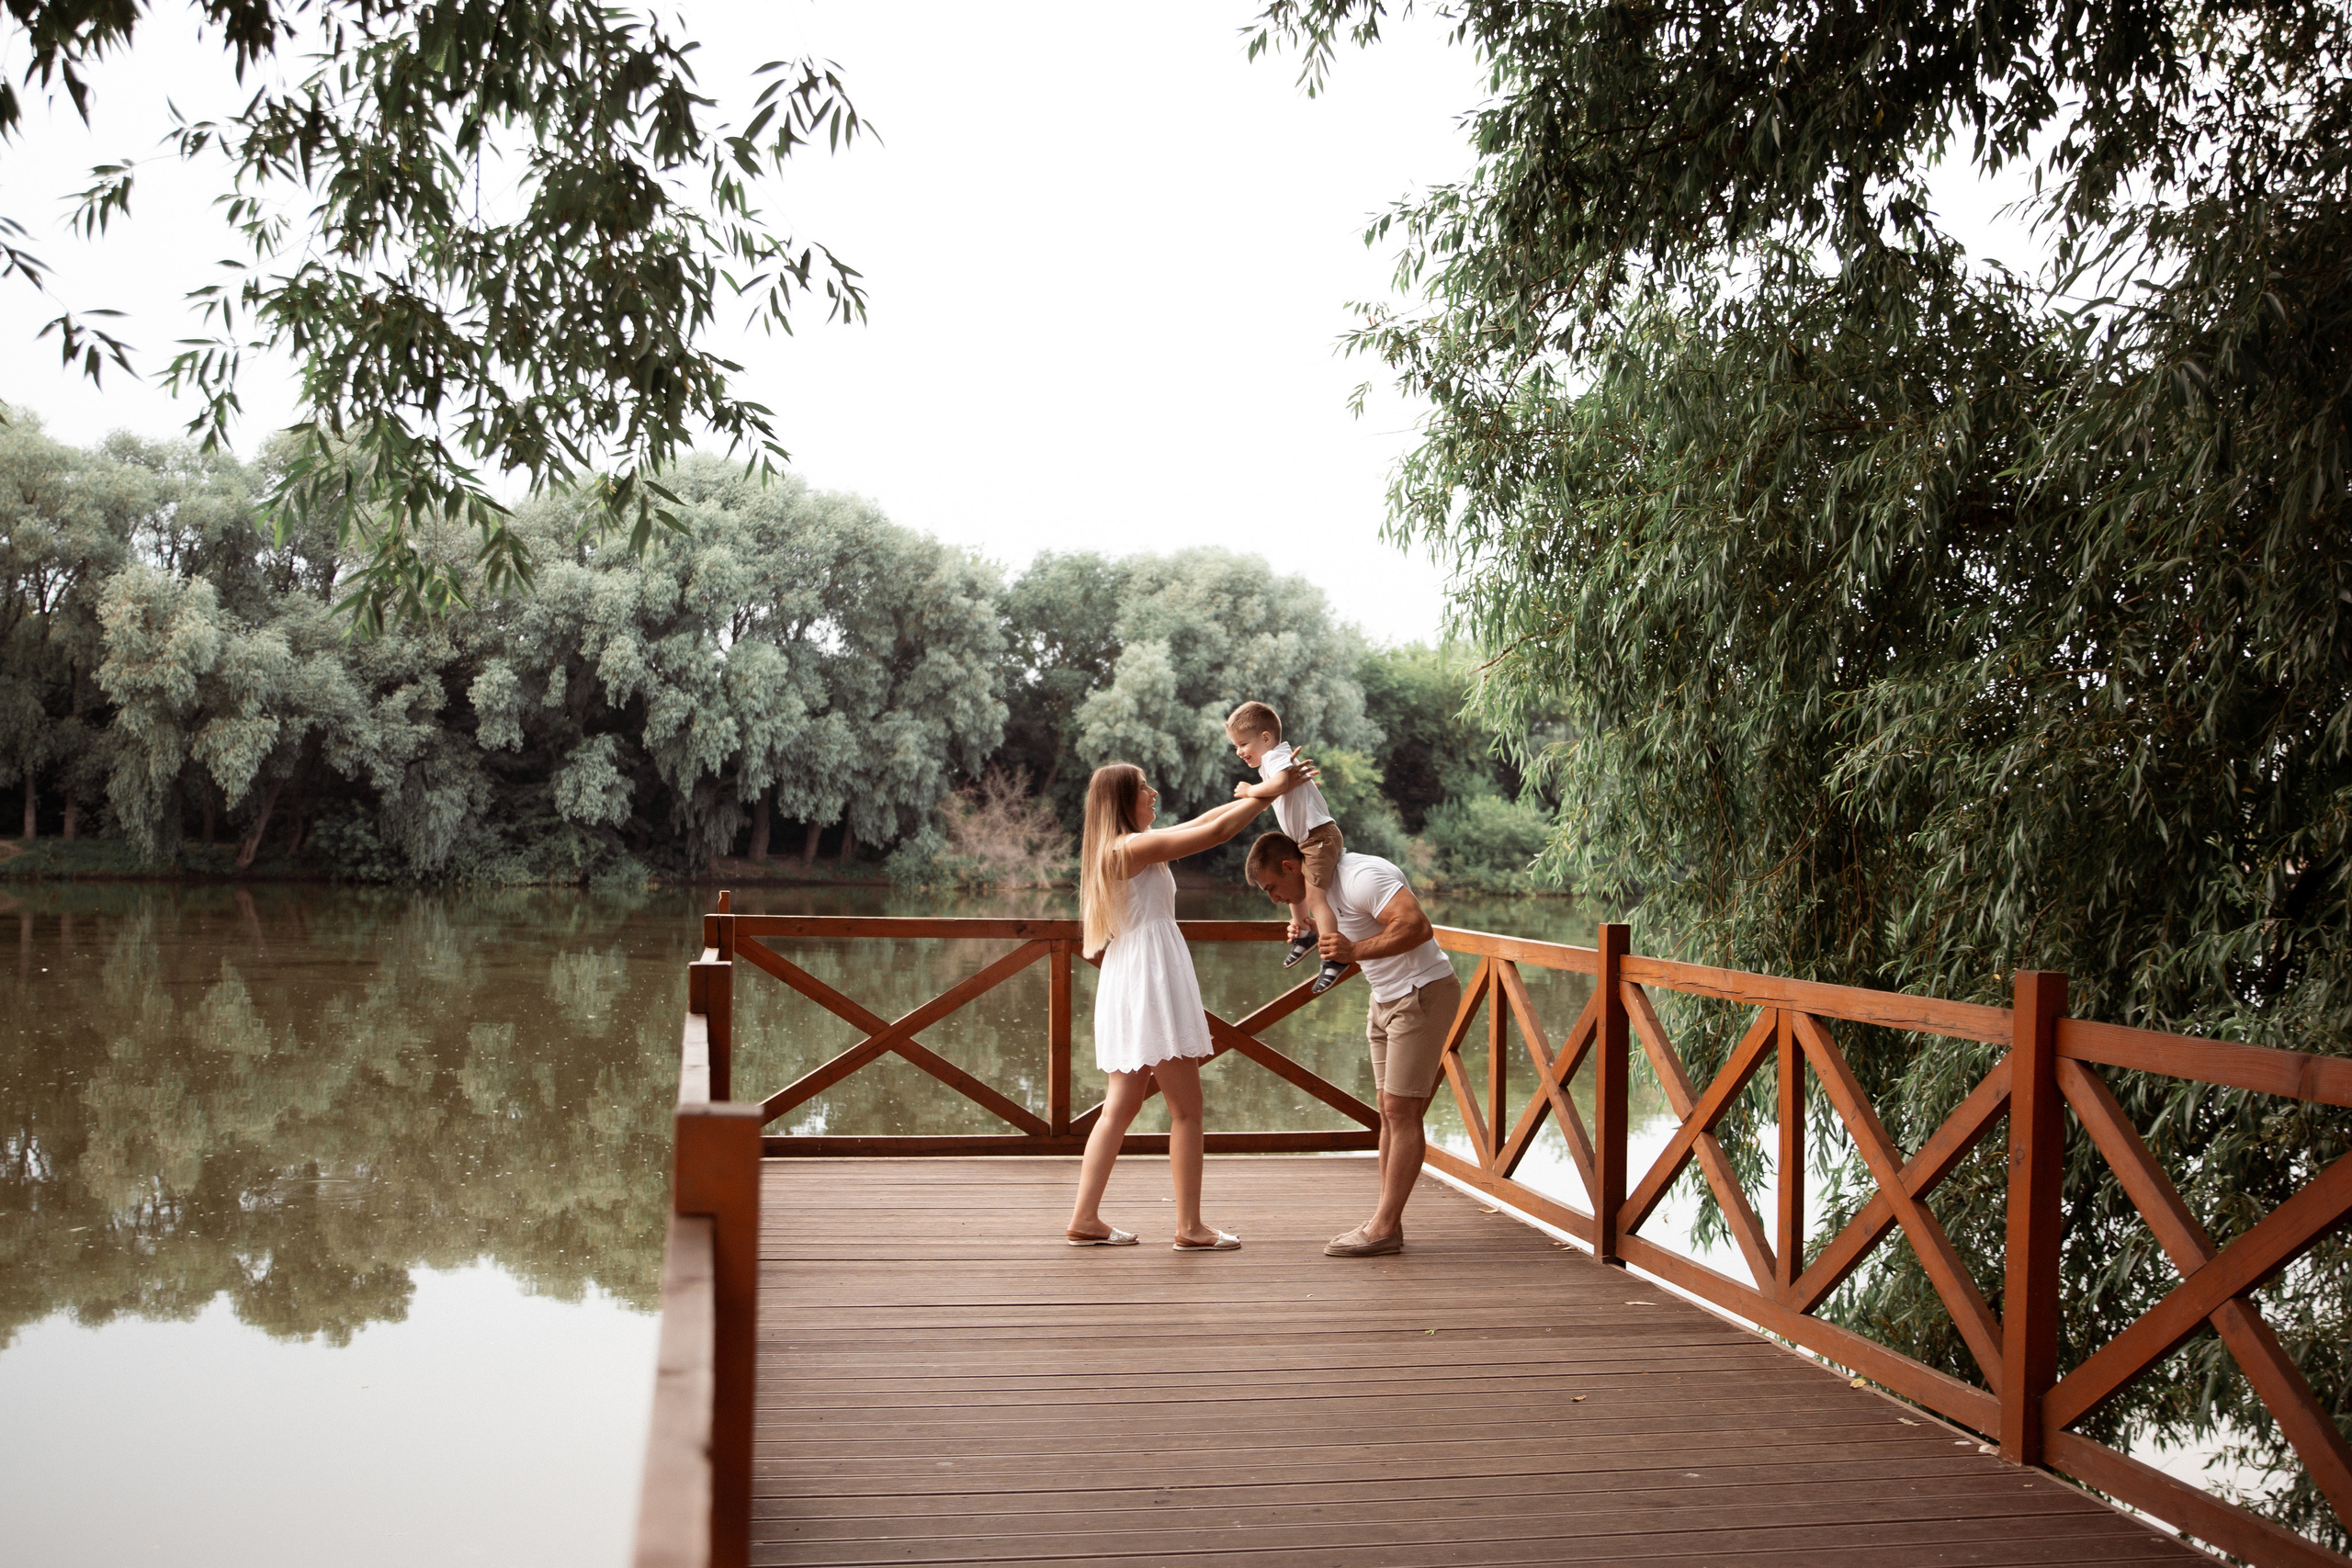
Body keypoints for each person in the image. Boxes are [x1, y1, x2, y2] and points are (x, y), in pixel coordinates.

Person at [1065, 762, 1272, 1251]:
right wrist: (1273, 792)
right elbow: (1217, 833)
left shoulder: (1126, 846)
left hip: (1133, 974)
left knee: (1120, 1107)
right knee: (1187, 1110)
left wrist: (1264, 790)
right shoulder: (1131, 848)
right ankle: (1190, 1228)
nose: (1153, 792)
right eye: (1143, 788)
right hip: (1149, 978)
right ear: (1122, 800)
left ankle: (1085, 1219)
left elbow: (1205, 820)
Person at [1244, 832, 1462, 1258]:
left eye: (1272, 887)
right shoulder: (1320, 892)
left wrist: (1354, 950)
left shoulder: (1363, 875)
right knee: (1387, 1107)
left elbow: (1417, 926)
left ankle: (1384, 1228)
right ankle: (1385, 1221)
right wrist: (1313, 932)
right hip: (1383, 998)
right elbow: (1347, 933)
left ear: (1290, 866)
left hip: (1421, 991)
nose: (1273, 898)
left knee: (1402, 1109)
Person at [1225, 701, 1348, 997]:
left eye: (1243, 744)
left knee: (1316, 897)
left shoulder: (1274, 757)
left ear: (1266, 738)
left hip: (1318, 836)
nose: (1239, 752)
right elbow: (1280, 788)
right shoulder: (1272, 760)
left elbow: (1281, 783)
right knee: (1295, 887)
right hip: (1306, 839)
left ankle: (1333, 957)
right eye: (1235, 746)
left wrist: (1250, 791)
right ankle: (1304, 933)